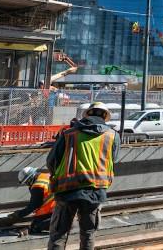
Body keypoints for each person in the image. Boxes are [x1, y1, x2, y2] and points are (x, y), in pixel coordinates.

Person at [47, 102, 120, 250]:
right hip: (95, 191)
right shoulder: (113, 136)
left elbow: (52, 161)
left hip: (67, 190)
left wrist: (58, 175)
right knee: (88, 233)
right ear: (105, 117)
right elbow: (113, 160)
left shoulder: (69, 134)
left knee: (59, 234)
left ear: (87, 114)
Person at [9, 167, 55, 234]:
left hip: (52, 209)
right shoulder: (46, 175)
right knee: (35, 221)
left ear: (29, 179)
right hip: (59, 205)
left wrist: (18, 214)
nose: (27, 185)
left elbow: (33, 206)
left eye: (26, 182)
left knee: (35, 227)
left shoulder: (38, 186)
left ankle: (61, 222)